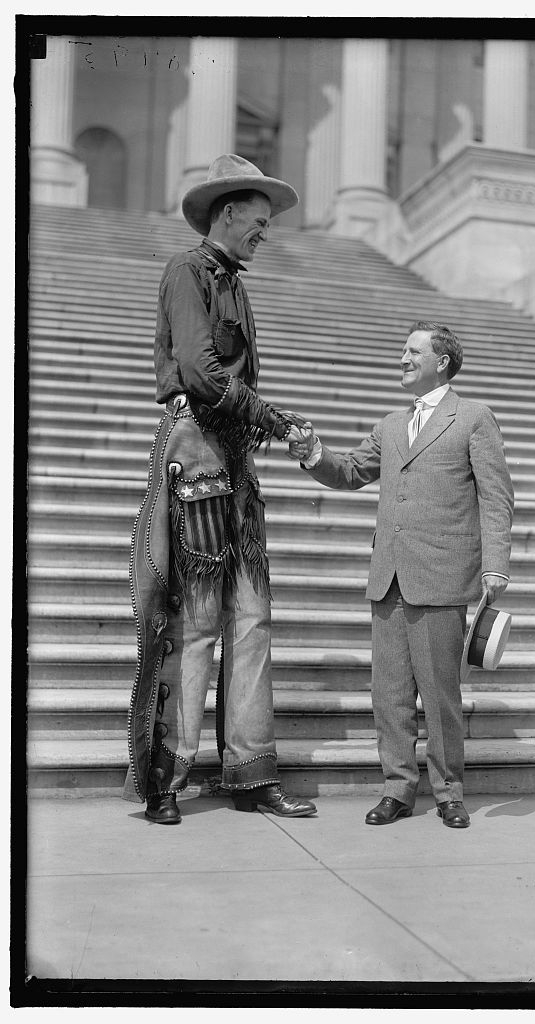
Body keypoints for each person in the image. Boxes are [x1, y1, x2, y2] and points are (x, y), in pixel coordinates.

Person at [123, 154, 317, 824]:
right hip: (198, 454)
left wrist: (262, 421)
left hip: (232, 458)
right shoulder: (187, 271)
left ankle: (251, 773)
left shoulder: (235, 281)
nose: (264, 233)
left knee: (252, 619)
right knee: (197, 621)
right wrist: (270, 416)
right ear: (227, 213)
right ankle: (165, 783)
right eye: (257, 222)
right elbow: (202, 373)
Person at [289, 322, 514, 828]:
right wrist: (311, 452)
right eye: (402, 350)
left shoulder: (474, 418)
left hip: (443, 575)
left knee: (439, 696)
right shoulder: (391, 425)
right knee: (388, 694)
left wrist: (495, 562)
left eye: (414, 351)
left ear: (442, 362)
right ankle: (397, 789)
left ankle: (449, 791)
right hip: (388, 576)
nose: (403, 357)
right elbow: (349, 472)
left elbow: (495, 496)